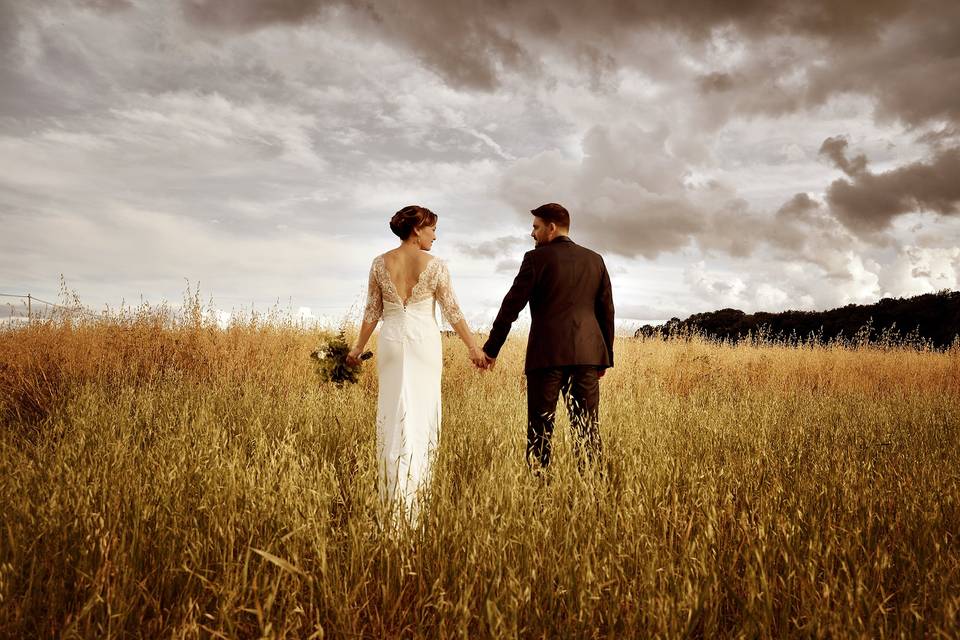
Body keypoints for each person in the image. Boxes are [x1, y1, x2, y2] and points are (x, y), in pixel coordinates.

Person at [347, 205, 486, 524]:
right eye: (432, 229)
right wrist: (472, 347)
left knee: (394, 413)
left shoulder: (379, 263)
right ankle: (414, 507)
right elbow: (452, 311)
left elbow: (372, 311)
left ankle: (391, 502)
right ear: (416, 229)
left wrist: (357, 348)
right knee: (421, 418)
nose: (435, 236)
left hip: (392, 341)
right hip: (423, 342)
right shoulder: (436, 265)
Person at [482, 203, 614, 473]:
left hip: (547, 355)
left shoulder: (535, 259)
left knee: (540, 429)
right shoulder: (595, 259)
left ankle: (538, 491)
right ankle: (592, 490)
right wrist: (604, 359)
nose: (532, 234)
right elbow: (606, 311)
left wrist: (491, 349)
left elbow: (511, 307)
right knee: (587, 428)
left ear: (551, 228)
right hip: (587, 356)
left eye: (536, 227)